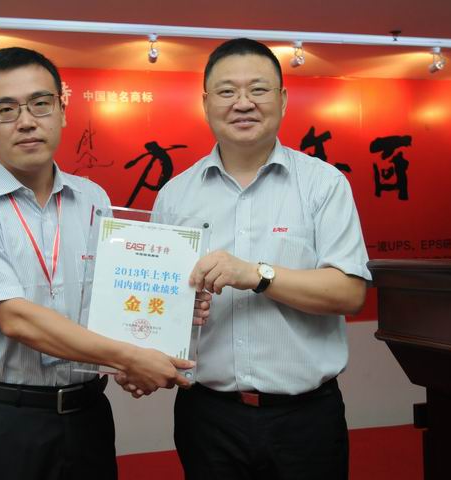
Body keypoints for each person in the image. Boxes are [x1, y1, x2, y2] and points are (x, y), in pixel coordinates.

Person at [0, 47, 203, 480]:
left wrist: (168, 316)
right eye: (6, 109)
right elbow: (16, 320)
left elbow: (110, 300)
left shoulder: (93, 198)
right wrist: (132, 356)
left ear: (62, 111)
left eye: (40, 103)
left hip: (88, 415)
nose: (26, 121)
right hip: (6, 423)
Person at [151, 38, 371, 479]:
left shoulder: (323, 184)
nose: (243, 103)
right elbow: (159, 301)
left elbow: (349, 292)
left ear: (283, 99)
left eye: (258, 89)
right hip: (208, 417)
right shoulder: (175, 196)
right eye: (227, 91)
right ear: (206, 103)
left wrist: (256, 274)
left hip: (305, 419)